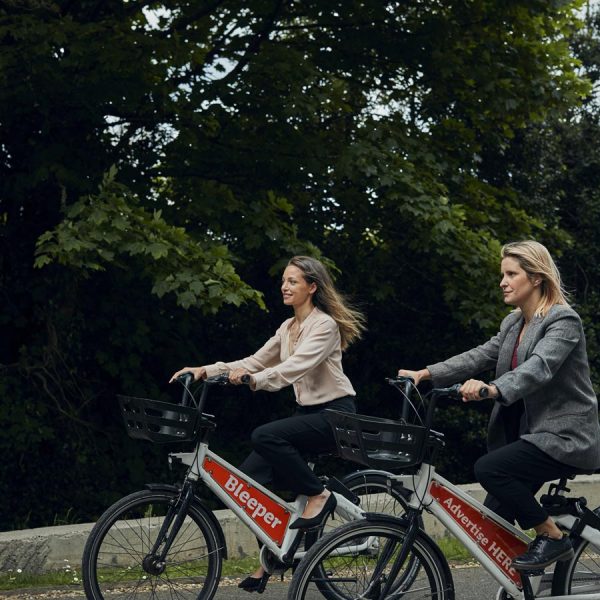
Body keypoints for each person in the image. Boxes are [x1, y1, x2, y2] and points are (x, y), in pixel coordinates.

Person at [398, 240, 600, 571]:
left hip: (565, 436)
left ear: (536, 278)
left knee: (490, 469)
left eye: (511, 273)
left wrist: (493, 389)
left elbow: (539, 367)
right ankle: (525, 584)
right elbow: (480, 355)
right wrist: (427, 373)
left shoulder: (563, 321)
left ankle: (552, 537)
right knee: (491, 524)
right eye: (502, 274)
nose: (502, 281)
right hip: (531, 437)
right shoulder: (513, 323)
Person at [170, 255, 365, 593]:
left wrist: (253, 380)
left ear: (312, 287)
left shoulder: (324, 326)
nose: (284, 286)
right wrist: (206, 370)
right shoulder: (287, 329)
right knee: (247, 483)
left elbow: (293, 369)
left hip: (336, 415)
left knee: (266, 435)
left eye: (293, 281)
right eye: (284, 281)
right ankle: (278, 554)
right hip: (309, 416)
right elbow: (254, 360)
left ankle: (319, 495)